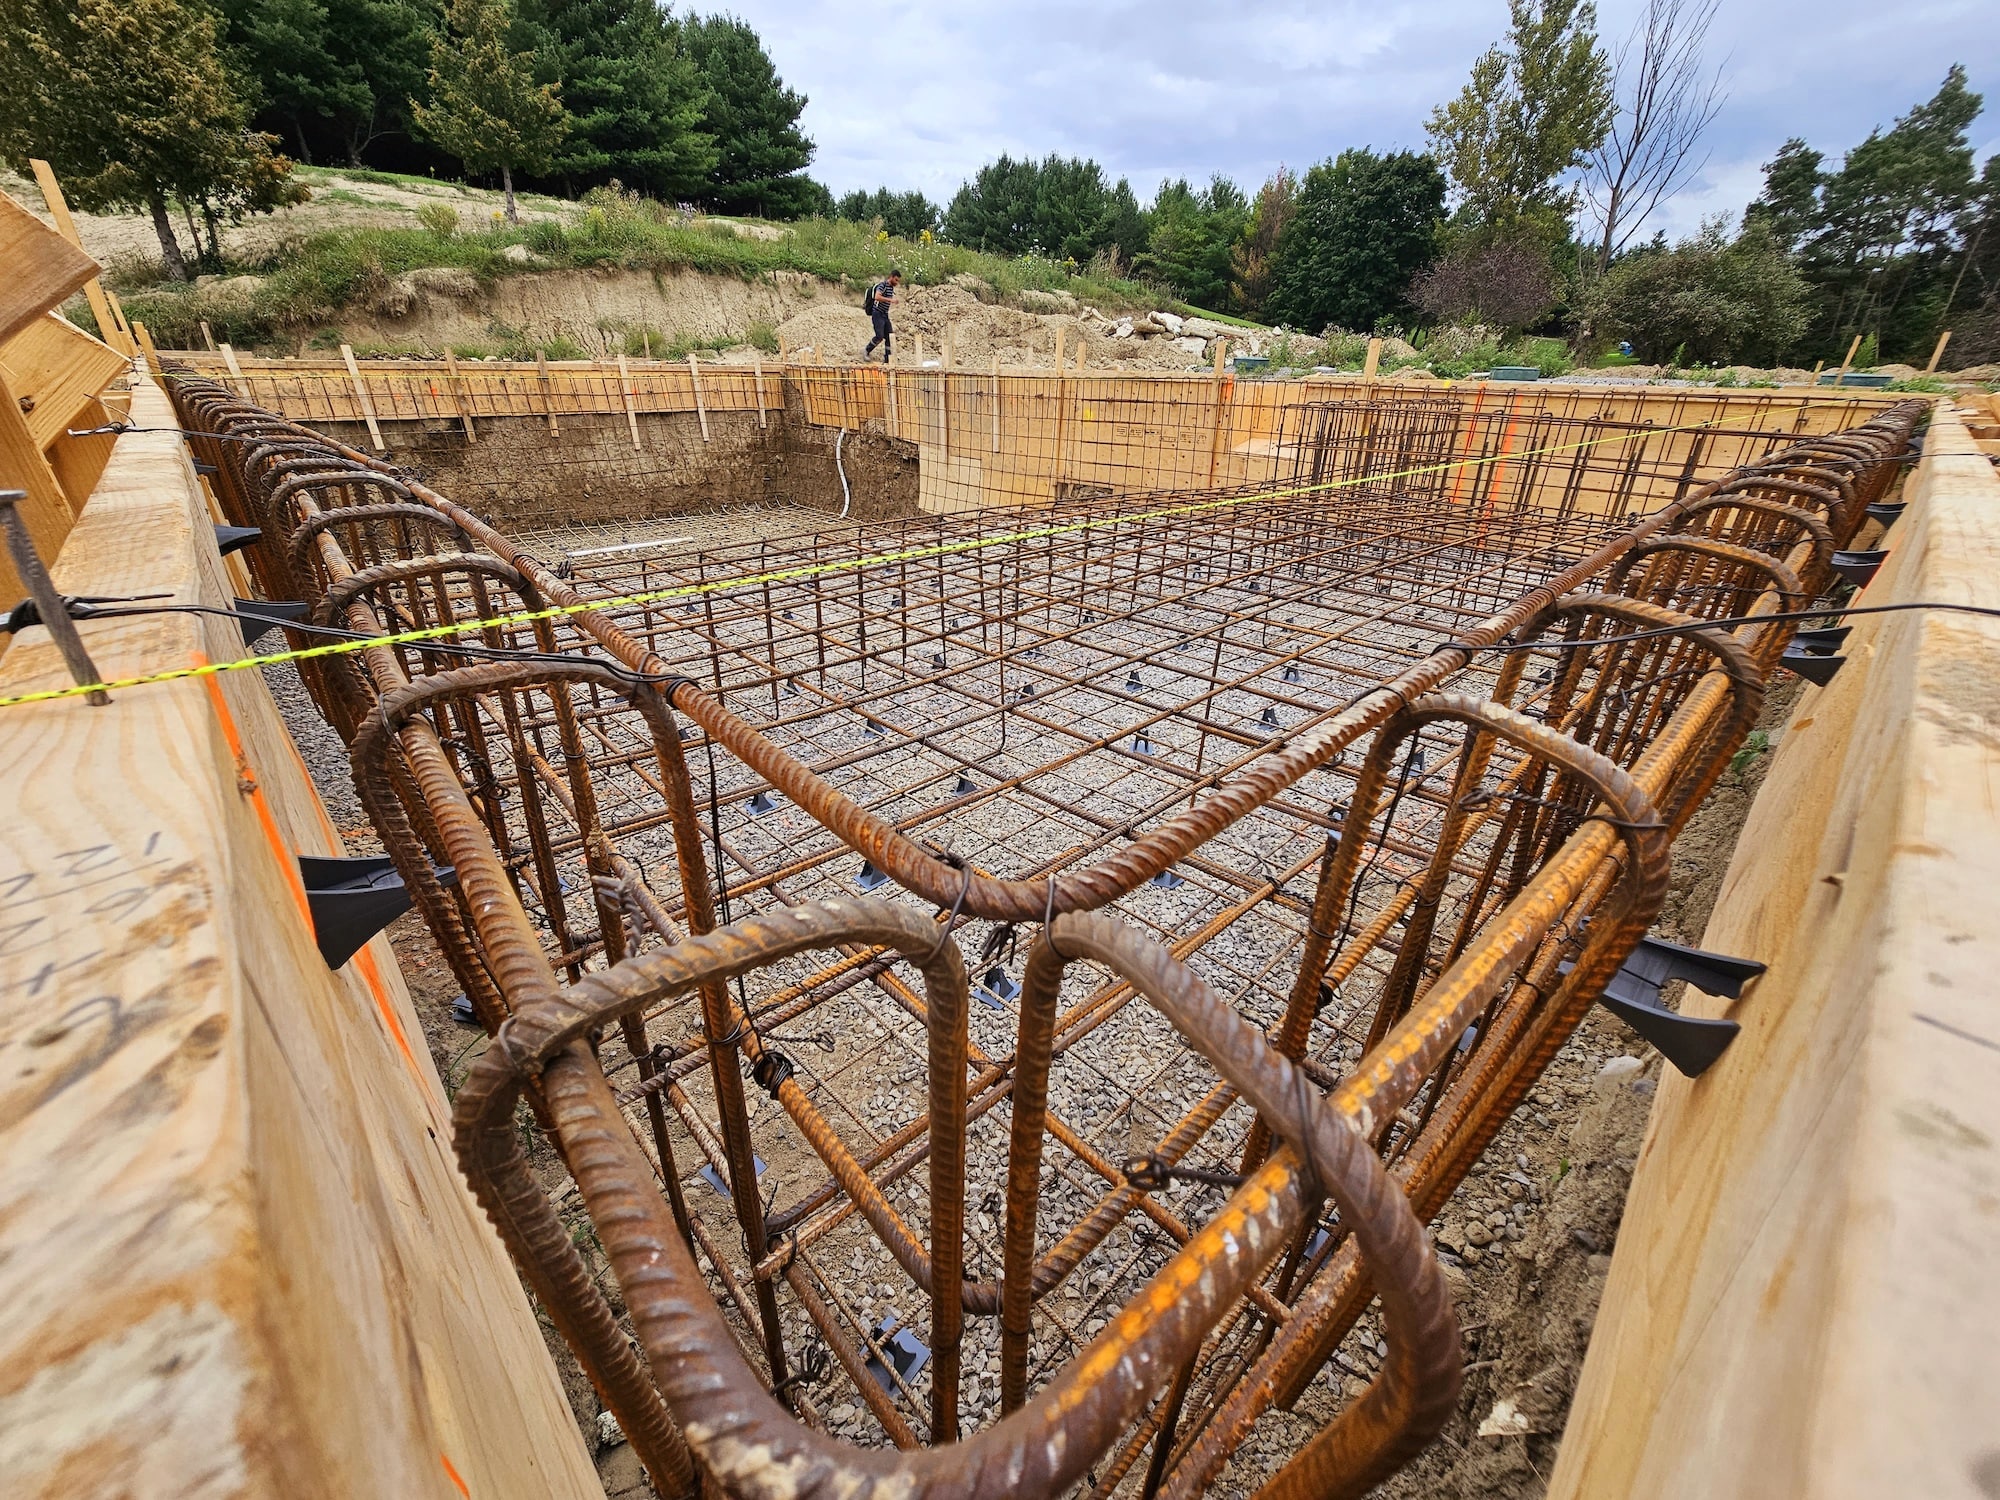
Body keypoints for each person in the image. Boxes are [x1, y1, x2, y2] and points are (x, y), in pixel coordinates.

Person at [863, 270, 901, 363]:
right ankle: (867, 350)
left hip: (885, 314)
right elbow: (877, 297)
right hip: (877, 314)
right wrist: (890, 300)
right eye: (896, 280)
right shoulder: (883, 285)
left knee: (889, 336)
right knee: (879, 336)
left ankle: (888, 358)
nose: (897, 282)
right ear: (891, 277)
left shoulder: (891, 287)